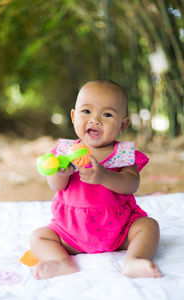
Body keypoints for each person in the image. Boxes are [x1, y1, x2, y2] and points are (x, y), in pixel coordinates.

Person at [30, 79, 162, 280]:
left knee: (149, 226)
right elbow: (56, 186)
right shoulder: (65, 152)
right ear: (74, 116)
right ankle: (61, 262)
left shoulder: (123, 153)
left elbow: (131, 184)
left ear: (122, 124)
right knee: (39, 236)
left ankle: (135, 260)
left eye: (107, 114)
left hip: (119, 228)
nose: (95, 120)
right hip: (71, 232)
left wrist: (105, 176)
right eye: (86, 112)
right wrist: (59, 172)